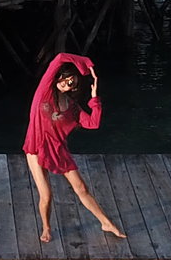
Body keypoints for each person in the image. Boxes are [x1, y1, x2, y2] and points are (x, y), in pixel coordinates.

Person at [23, 51, 126, 242]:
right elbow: (60, 57)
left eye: (71, 82)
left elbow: (93, 123)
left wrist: (95, 99)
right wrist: (88, 65)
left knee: (81, 188)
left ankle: (106, 223)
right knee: (46, 194)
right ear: (59, 77)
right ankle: (46, 228)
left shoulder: (73, 108)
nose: (65, 83)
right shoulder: (44, 90)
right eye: (65, 78)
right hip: (36, 147)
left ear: (74, 87)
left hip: (58, 150)